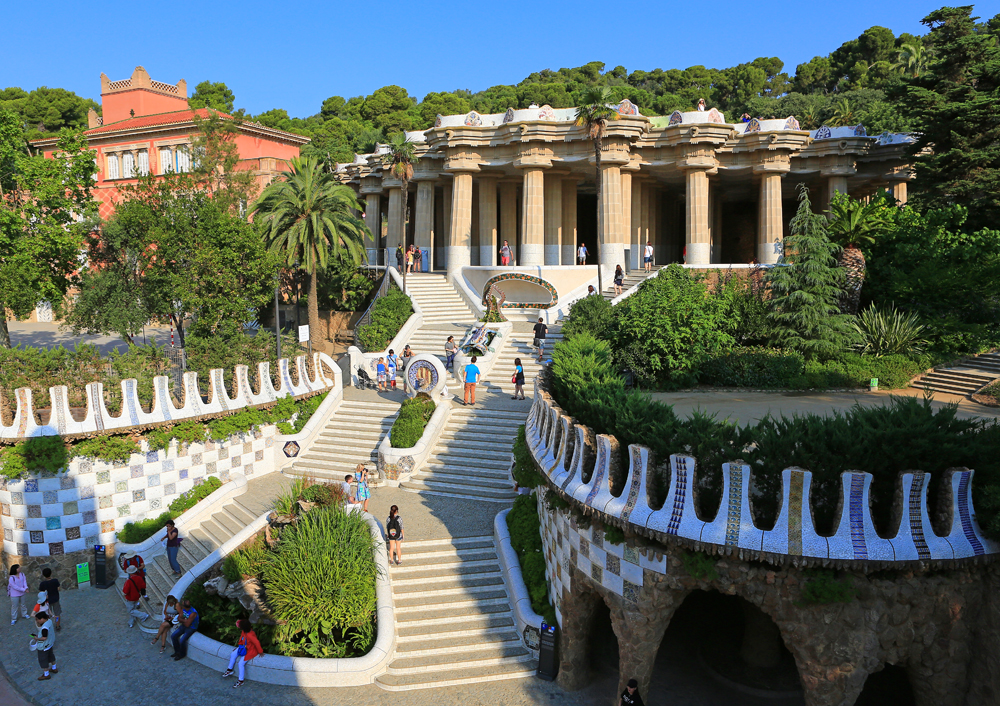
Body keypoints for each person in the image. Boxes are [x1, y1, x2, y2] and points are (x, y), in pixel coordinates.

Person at [222, 618, 263, 689]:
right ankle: (229, 670)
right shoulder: (244, 631)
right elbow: (241, 639)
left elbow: (256, 643)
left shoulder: (250, 635)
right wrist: (239, 647)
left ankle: (241, 680)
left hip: (250, 650)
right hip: (243, 647)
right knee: (233, 654)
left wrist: (260, 652)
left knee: (241, 663)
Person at [31, 611, 57, 681]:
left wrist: (36, 638)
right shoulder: (49, 621)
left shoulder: (44, 628)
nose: (37, 621)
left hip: (44, 646)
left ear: (42, 619)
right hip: (50, 643)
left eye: (37, 619)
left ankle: (46, 674)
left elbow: (44, 638)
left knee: (43, 660)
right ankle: (54, 668)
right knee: (51, 655)